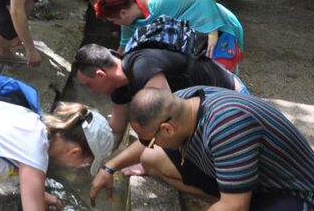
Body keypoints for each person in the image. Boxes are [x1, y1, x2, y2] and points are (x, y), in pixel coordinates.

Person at [90, 87, 314, 210]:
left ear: (167, 130)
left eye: (149, 140)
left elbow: (235, 206)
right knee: (151, 160)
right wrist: (109, 167)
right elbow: (147, 146)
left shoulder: (227, 126)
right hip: (249, 179)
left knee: (234, 204)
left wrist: (230, 204)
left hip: (291, 192)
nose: (146, 145)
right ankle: (229, 193)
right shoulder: (181, 102)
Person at [72, 44, 248, 153]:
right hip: (202, 110)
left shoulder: (143, 66)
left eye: (88, 85)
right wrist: (94, 156)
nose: (91, 91)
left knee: (154, 158)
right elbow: (116, 132)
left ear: (101, 75)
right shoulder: (120, 90)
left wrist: (119, 164)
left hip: (231, 99)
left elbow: (164, 124)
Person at [94, 0, 244, 72]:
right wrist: (109, 65)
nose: (115, 24)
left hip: (214, 22)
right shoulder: (130, 20)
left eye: (113, 20)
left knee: (221, 79)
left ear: (123, 13)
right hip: (194, 39)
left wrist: (212, 31)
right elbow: (124, 46)